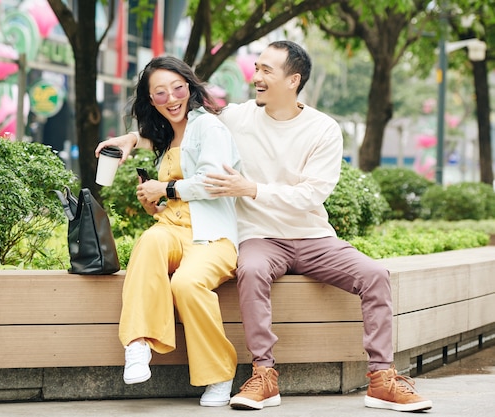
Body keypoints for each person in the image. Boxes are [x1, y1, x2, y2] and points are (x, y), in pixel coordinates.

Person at [96, 41, 433, 413]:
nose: (255, 77)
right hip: (259, 238)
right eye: (256, 68)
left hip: (313, 236)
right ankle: (263, 376)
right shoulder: (237, 117)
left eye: (266, 70)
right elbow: (186, 129)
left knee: (375, 275)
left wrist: (251, 188)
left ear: (293, 80)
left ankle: (382, 378)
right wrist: (133, 138)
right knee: (251, 270)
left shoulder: (323, 129)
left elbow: (311, 195)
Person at [96, 56, 241, 407]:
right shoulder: (166, 135)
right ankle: (137, 344)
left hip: (213, 237)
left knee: (186, 283)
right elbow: (167, 188)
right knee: (149, 243)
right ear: (150, 100)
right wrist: (155, 202)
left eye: (177, 88)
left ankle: (220, 373)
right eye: (160, 93)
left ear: (189, 87)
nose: (171, 98)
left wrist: (166, 190)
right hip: (172, 227)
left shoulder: (209, 128)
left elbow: (213, 182)